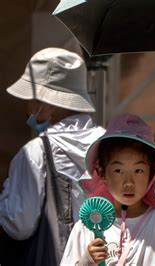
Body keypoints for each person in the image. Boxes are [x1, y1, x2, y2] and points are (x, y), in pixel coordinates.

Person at [0, 47, 105, 264]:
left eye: (31, 100)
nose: (26, 110)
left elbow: (19, 224)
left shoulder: (35, 153)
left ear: (49, 105)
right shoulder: (108, 143)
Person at [60, 113, 155, 265]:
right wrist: (87, 260)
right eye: (118, 171)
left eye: (138, 171)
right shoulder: (86, 227)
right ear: (102, 173)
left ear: (152, 174)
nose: (129, 182)